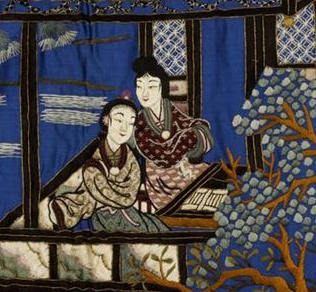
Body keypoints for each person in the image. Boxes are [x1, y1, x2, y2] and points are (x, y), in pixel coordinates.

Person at [48, 98, 164, 233]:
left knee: (154, 228)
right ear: (106, 120)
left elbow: (130, 194)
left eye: (131, 123)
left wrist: (102, 193)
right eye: (119, 120)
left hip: (125, 211)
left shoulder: (131, 159)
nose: (124, 128)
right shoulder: (91, 152)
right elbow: (71, 184)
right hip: (99, 215)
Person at [132, 56, 213, 209]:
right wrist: (189, 137)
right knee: (186, 196)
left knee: (210, 178)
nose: (144, 93)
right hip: (160, 176)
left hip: (184, 165)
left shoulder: (168, 107)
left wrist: (195, 132)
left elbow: (188, 123)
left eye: (151, 86)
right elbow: (162, 155)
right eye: (139, 86)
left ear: (162, 88)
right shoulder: (140, 121)